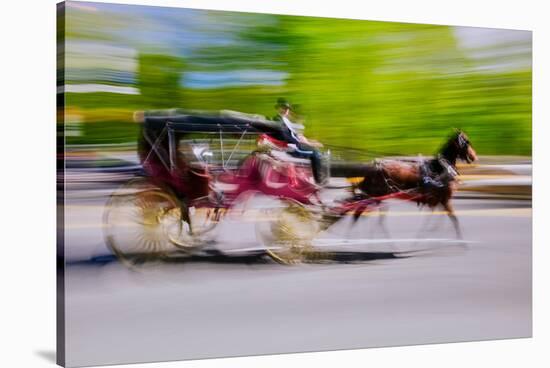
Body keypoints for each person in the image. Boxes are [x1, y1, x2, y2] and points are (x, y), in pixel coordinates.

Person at [272, 98, 325, 184]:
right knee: (315, 154)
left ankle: (317, 177)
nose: (286, 110)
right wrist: (301, 142)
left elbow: (293, 135)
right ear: (278, 108)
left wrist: (310, 142)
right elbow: (285, 136)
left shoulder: (283, 120)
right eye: (283, 108)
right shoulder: (278, 120)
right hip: (291, 147)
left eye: (287, 108)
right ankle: (319, 181)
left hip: (294, 145)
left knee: (316, 150)